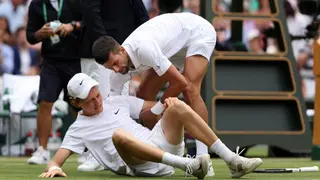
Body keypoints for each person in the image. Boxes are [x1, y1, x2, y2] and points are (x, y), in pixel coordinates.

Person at [38, 73, 263, 178]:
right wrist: (55, 169)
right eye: (90, 100)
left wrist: (166, 104)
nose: (98, 102)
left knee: (176, 106)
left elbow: (154, 107)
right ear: (76, 103)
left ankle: (232, 161)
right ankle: (187, 164)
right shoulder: (78, 129)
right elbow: (54, 163)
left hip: (162, 144)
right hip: (138, 164)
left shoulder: (116, 101)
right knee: (119, 135)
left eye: (97, 95)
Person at [92, 12, 216, 168]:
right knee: (143, 94)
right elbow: (114, 111)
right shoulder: (117, 74)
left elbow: (180, 83)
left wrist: (156, 110)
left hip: (197, 31)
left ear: (122, 50)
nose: (116, 70)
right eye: (110, 67)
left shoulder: (144, 49)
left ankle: (203, 155)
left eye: (116, 63)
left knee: (190, 89)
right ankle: (158, 151)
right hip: (169, 46)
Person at [73, 0, 150, 171]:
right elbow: (89, 10)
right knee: (97, 101)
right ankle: (97, 154)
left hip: (122, 51)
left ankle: (120, 154)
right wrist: (105, 46)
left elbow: (140, 12)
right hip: (99, 52)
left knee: (120, 104)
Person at [26, 0, 82, 164]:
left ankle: (86, 151)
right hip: (50, 61)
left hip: (74, 59)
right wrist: (40, 34)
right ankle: (42, 150)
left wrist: (72, 25)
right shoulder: (36, 4)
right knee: (44, 102)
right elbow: (31, 36)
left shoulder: (74, 2)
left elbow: (87, 22)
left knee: (77, 105)